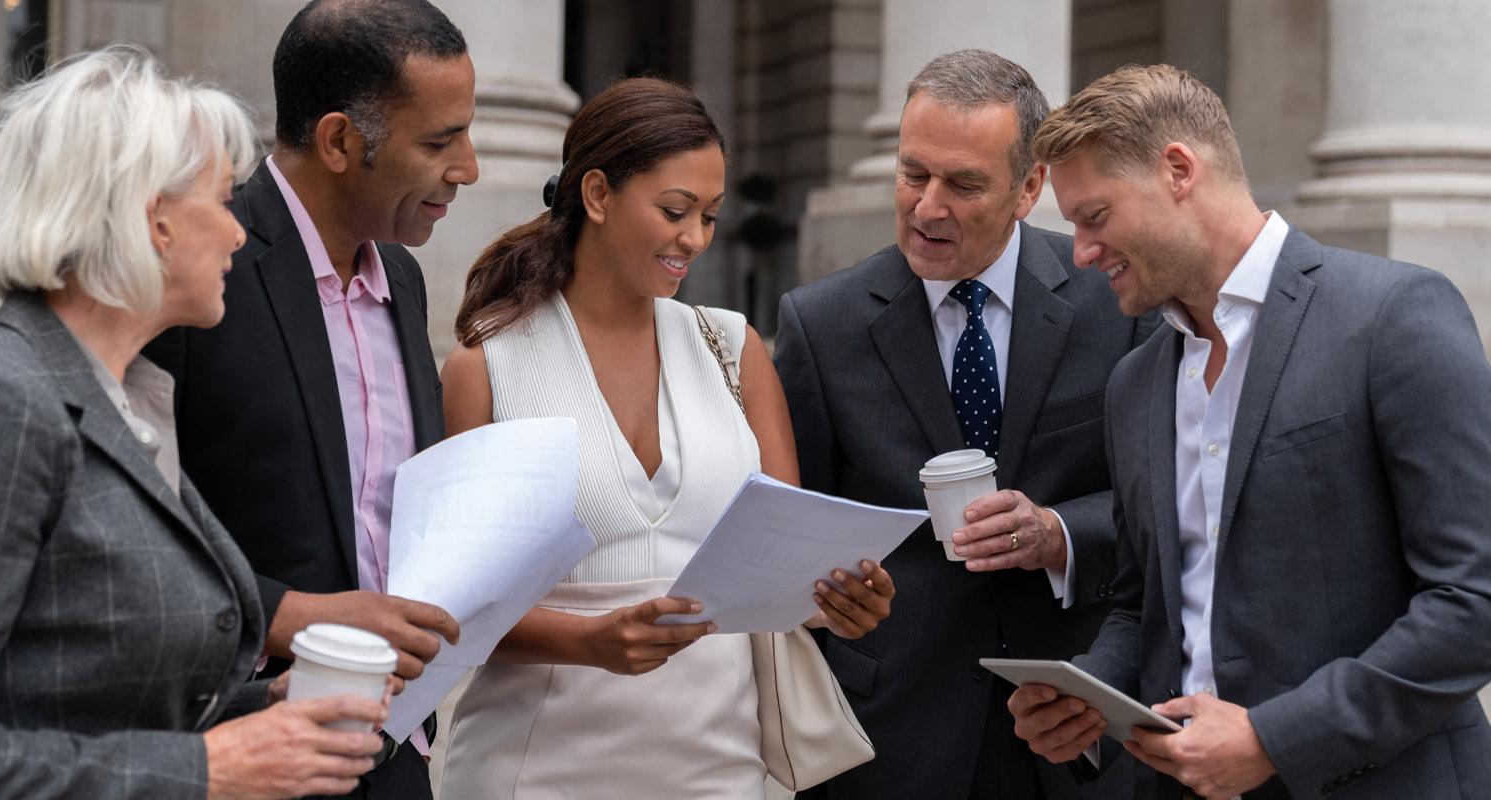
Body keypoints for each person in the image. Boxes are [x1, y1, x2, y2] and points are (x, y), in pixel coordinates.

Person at [0, 47, 389, 800]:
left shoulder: (129, 398)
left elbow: (97, 700)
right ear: (152, 218)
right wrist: (211, 769)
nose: (238, 235)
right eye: (224, 202)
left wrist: (265, 714)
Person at [1007, 63, 1491, 800]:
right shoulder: (1133, 384)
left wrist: (1277, 740)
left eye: (1094, 217)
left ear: (1178, 170)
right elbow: (1146, 606)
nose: (1078, 251)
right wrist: (1090, 696)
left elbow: (1473, 599)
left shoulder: (1393, 316)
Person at [435, 77, 896, 798]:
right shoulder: (486, 364)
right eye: (675, 210)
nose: (695, 239)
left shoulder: (733, 347)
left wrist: (835, 603)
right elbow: (455, 607)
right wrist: (587, 642)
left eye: (710, 216)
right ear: (596, 195)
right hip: (531, 768)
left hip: (719, 766)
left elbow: (784, 566)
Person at [775, 49, 1153, 800]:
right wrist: (836, 596)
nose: (926, 207)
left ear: (1029, 187)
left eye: (963, 184)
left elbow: (1158, 504)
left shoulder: (1115, 300)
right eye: (914, 173)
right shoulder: (821, 324)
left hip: (1077, 729)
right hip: (894, 741)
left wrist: (1057, 534)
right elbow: (797, 531)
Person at [141, 1, 473, 794]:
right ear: (338, 141)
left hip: (398, 750)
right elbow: (131, 532)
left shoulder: (403, 277)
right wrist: (293, 615)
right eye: (439, 140)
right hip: (240, 745)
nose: (468, 167)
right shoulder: (199, 269)